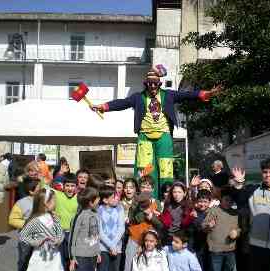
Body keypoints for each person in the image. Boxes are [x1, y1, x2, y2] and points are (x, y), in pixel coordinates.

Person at [91, 65, 223, 198]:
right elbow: (122, 103)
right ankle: (147, 198)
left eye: (155, 84)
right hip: (145, 137)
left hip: (163, 136)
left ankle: (167, 198)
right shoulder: (138, 97)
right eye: (150, 84)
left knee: (165, 168)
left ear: (159, 84)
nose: (153, 86)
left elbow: (187, 95)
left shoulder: (168, 95)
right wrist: (104, 106)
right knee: (146, 169)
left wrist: (206, 93)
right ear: (146, 84)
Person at [20, 188, 64, 271]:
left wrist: (58, 240)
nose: (56, 203)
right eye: (54, 200)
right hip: (40, 259)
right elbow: (23, 236)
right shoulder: (35, 221)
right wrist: (36, 242)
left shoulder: (55, 218)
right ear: (46, 203)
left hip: (54, 258)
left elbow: (61, 233)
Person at [119, 192, 163, 271]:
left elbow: (160, 225)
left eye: (145, 203)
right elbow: (134, 219)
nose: (143, 205)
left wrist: (151, 216)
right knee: (128, 267)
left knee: (146, 267)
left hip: (149, 240)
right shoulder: (135, 205)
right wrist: (145, 212)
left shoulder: (157, 204)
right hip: (134, 238)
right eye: (141, 204)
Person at [8, 177, 41, 271]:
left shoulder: (44, 201)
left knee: (38, 266)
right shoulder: (21, 203)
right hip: (26, 241)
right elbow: (12, 220)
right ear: (31, 191)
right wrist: (27, 223)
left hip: (41, 241)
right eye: (39, 188)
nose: (41, 189)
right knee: (25, 265)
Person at [203, 192, 240, 271]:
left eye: (230, 200)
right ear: (221, 199)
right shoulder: (214, 210)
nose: (228, 202)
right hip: (215, 250)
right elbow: (203, 226)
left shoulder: (235, 213)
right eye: (226, 200)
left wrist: (236, 233)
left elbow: (239, 228)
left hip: (230, 250)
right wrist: (208, 226)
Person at [69, 187, 101, 271]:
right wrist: (72, 257)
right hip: (80, 257)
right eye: (97, 198)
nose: (99, 200)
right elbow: (72, 238)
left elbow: (96, 236)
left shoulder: (96, 214)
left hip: (92, 256)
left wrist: (97, 252)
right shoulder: (79, 216)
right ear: (90, 202)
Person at [181, 189, 211, 271]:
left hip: (206, 248)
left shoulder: (211, 213)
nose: (202, 204)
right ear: (197, 201)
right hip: (193, 248)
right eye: (200, 201)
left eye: (205, 201)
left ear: (210, 202)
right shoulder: (193, 213)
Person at [97, 185, 125, 271]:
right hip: (103, 248)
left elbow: (121, 228)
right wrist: (110, 246)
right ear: (105, 200)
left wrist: (114, 246)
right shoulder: (98, 210)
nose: (116, 199)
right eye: (113, 197)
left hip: (117, 248)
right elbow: (100, 232)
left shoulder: (119, 208)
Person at [54, 173, 79, 271]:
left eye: (72, 186)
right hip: (59, 233)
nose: (70, 188)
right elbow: (43, 185)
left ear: (76, 187)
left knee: (71, 260)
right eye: (67, 185)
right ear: (62, 186)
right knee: (59, 260)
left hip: (73, 234)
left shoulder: (78, 198)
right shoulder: (57, 195)